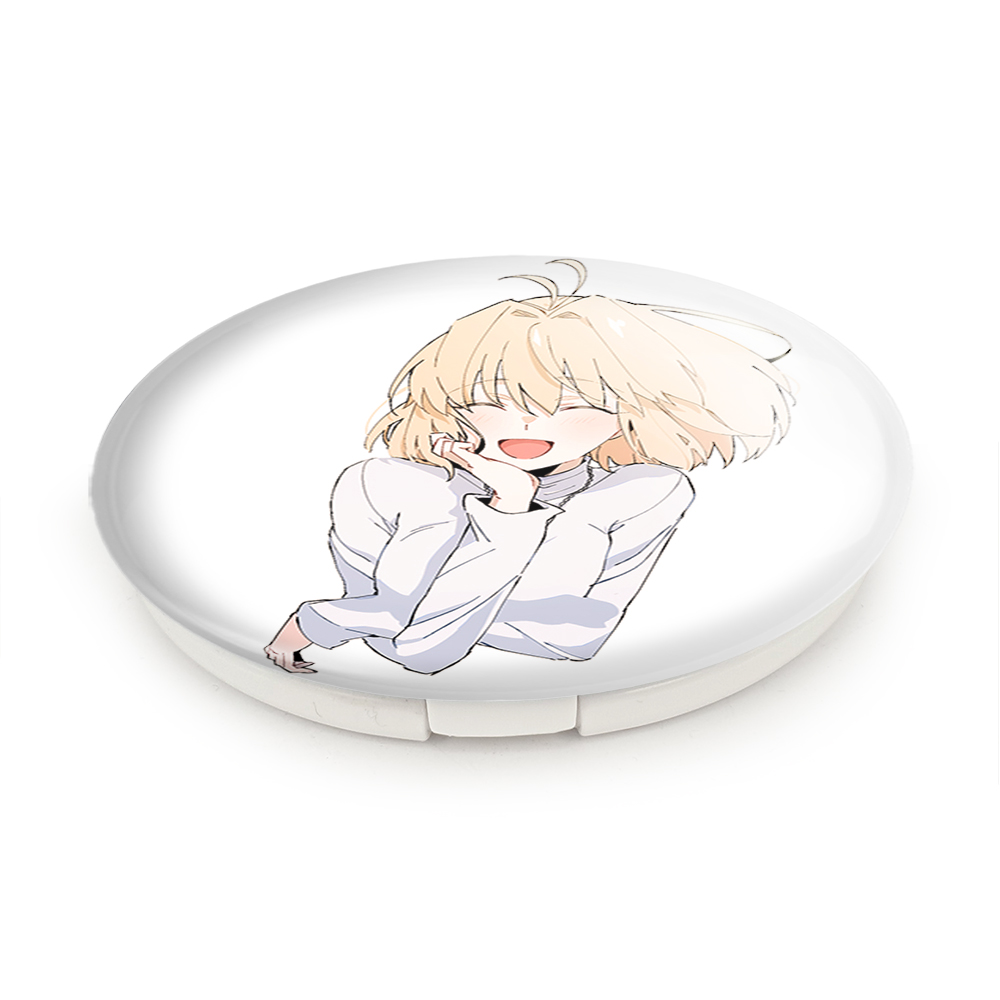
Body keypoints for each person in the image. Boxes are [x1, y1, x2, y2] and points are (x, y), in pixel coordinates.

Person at [265, 260, 793, 675]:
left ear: (631, 412)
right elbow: (420, 650)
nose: (527, 423)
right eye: (494, 397)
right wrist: (508, 511)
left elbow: (565, 635)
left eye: (575, 403)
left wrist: (329, 621)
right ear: (450, 400)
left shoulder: (643, 492)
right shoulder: (389, 485)